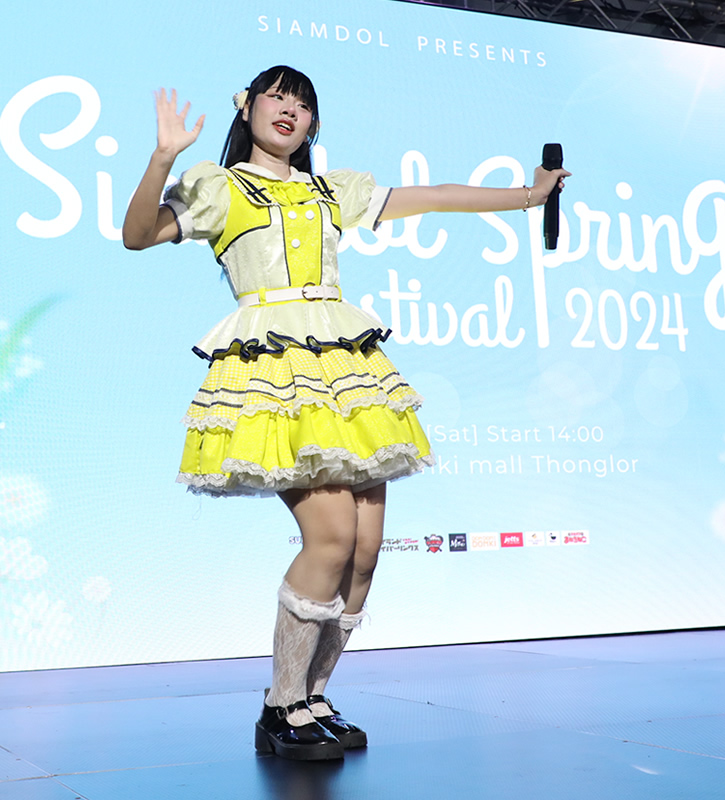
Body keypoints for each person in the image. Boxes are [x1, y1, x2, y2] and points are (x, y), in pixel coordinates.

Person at [123, 66, 568, 761]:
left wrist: (529, 196)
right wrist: (162, 158)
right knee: (330, 537)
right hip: (277, 370)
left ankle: (312, 696)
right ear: (250, 108)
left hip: (348, 371)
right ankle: (279, 706)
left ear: (313, 124)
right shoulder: (220, 186)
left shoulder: (333, 190)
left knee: (362, 553)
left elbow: (434, 196)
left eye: (302, 103)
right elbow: (137, 234)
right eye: (277, 96)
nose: (289, 109)